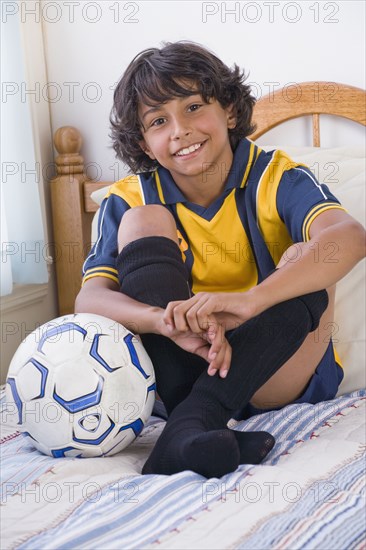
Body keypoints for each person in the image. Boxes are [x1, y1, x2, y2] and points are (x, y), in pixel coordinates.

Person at [75, 41, 365, 478]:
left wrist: (253, 301)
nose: (179, 130)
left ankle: (192, 421)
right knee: (142, 220)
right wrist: (162, 319)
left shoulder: (277, 176)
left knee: (309, 253)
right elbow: (89, 301)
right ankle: (193, 424)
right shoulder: (126, 199)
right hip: (184, 364)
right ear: (145, 144)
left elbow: (351, 238)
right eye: (158, 120)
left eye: (193, 106)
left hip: (277, 373)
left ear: (229, 110)